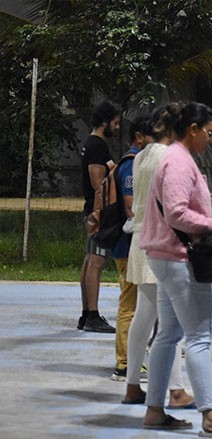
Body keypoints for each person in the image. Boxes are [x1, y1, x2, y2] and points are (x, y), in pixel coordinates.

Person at [139, 102, 212, 437]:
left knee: (169, 335)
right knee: (199, 338)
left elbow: (180, 206)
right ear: (193, 129)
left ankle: (155, 410)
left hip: (167, 255)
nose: (211, 140)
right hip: (178, 257)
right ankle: (211, 416)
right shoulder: (176, 161)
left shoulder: (177, 159)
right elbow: (175, 212)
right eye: (210, 133)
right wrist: (210, 222)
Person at [121, 104, 194, 409]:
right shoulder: (169, 158)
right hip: (160, 241)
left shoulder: (141, 157)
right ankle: (175, 390)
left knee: (145, 316)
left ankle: (132, 385)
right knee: (169, 321)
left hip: (140, 239)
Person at [109, 115, 154, 382]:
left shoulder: (139, 162)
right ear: (139, 137)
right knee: (129, 306)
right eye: (153, 137)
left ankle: (130, 360)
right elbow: (131, 209)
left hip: (132, 245)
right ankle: (124, 364)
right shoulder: (132, 164)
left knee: (135, 305)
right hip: (128, 245)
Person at [77, 100, 121, 333]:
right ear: (104, 123)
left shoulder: (97, 145)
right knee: (96, 261)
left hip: (94, 210)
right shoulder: (96, 146)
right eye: (115, 123)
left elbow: (113, 168)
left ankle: (87, 314)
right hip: (100, 211)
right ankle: (92, 315)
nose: (117, 127)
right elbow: (98, 183)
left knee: (90, 261)